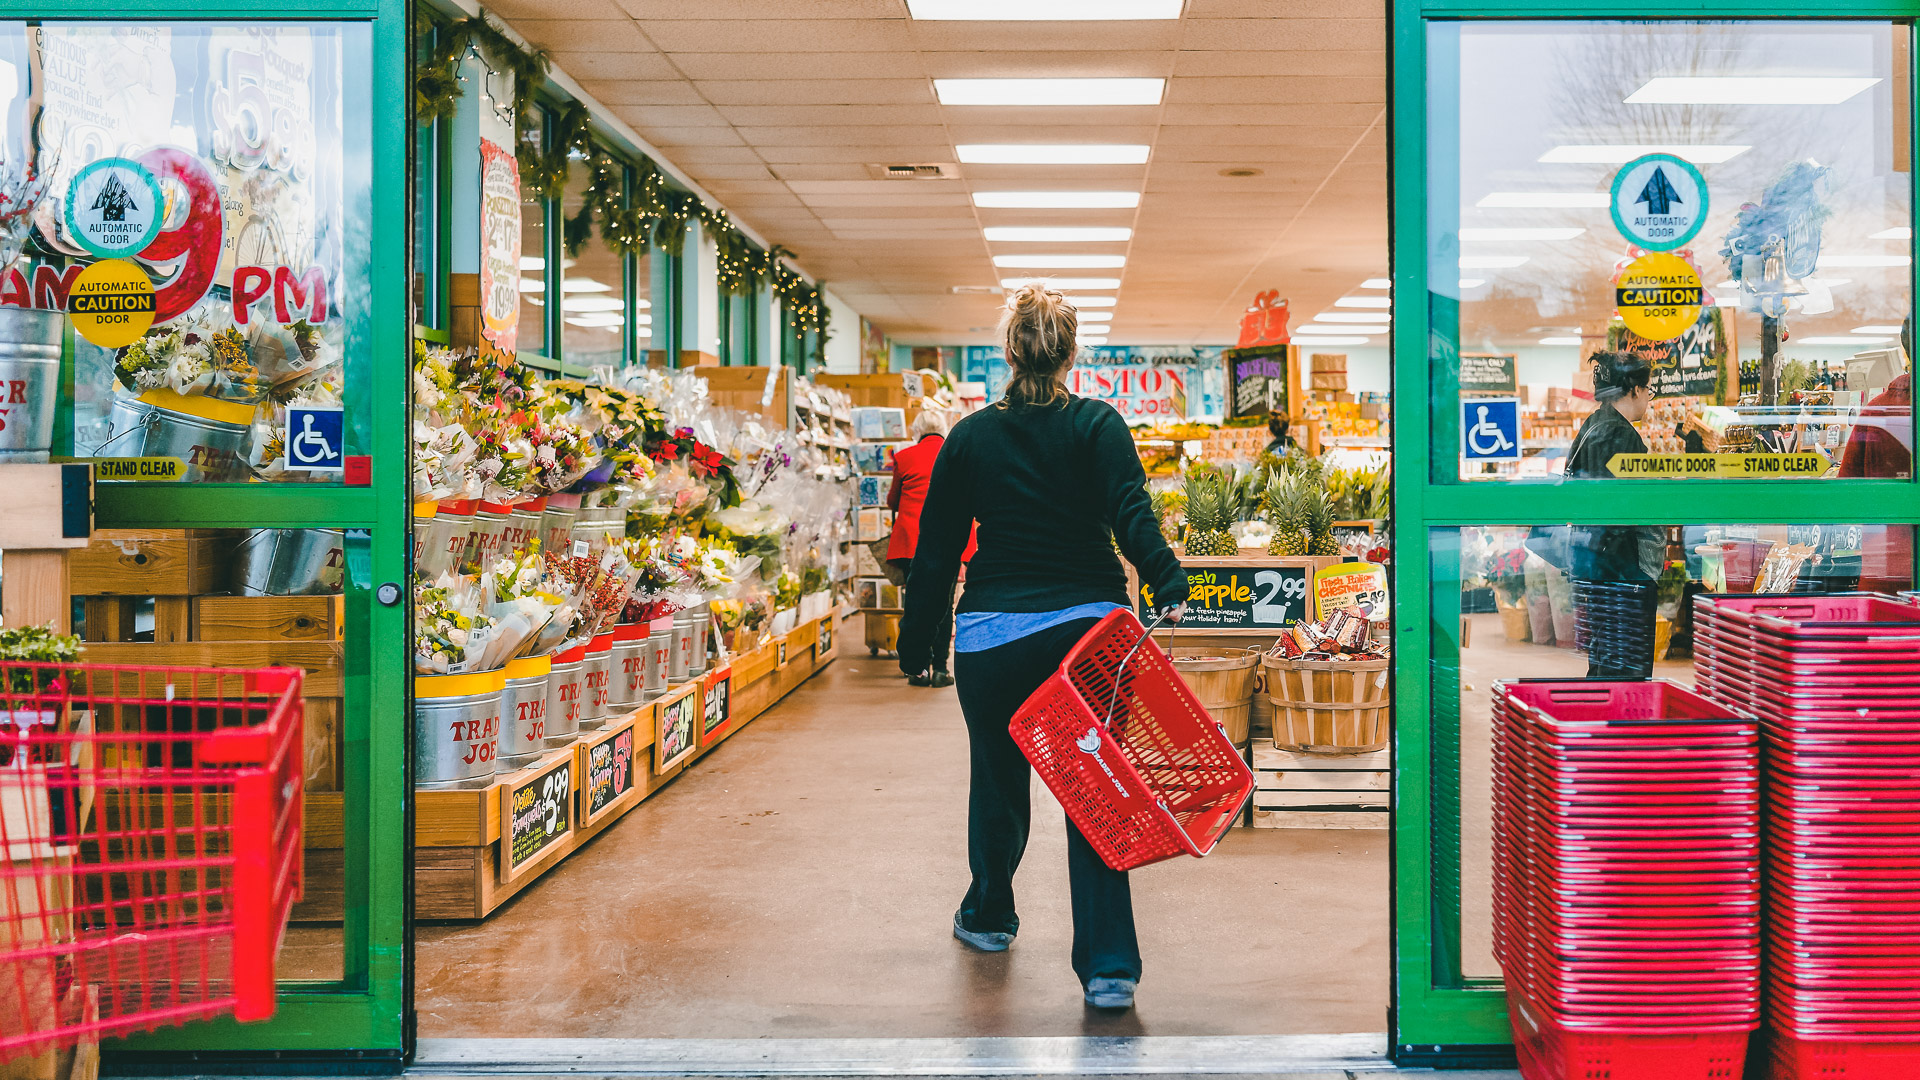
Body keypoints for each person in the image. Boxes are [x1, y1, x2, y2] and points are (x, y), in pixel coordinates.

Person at [897, 284, 1189, 1012]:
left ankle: (990, 917)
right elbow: (1131, 511)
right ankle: (1110, 966)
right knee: (1095, 792)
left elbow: (935, 551)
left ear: (1008, 351)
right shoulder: (1099, 425)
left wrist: (917, 643)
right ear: (1071, 352)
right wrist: (1168, 579)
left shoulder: (967, 436)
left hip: (994, 635)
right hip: (1089, 638)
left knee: (998, 781)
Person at [1564, 351, 1664, 678]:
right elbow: (1622, 509)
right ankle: (1619, 727)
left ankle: (1599, 722)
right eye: (1648, 389)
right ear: (1634, 389)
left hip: (1595, 562)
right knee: (1626, 668)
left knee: (1606, 658)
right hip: (1622, 570)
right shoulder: (1621, 435)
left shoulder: (1594, 423)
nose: (1649, 398)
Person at [886, 409, 976, 687]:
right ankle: (940, 668)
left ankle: (916, 667)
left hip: (911, 540)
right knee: (944, 604)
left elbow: (893, 501)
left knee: (915, 601)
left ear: (917, 431)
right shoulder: (955, 453)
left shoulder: (903, 457)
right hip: (947, 539)